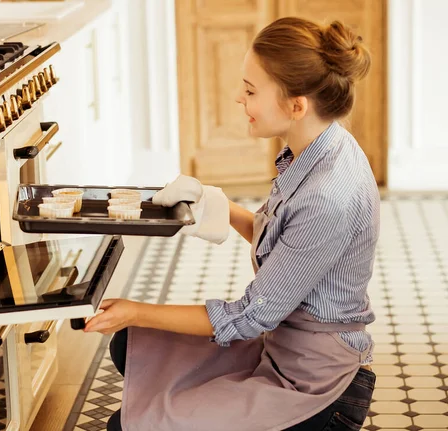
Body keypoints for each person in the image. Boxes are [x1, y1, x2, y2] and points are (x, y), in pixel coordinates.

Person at [84, 16, 380, 431]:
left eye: (250, 90)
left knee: (125, 426)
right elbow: (281, 241)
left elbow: (247, 317)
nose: (238, 98)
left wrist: (138, 310)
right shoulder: (320, 146)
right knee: (129, 345)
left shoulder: (328, 195)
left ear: (297, 105)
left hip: (317, 387)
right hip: (282, 346)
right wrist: (208, 200)